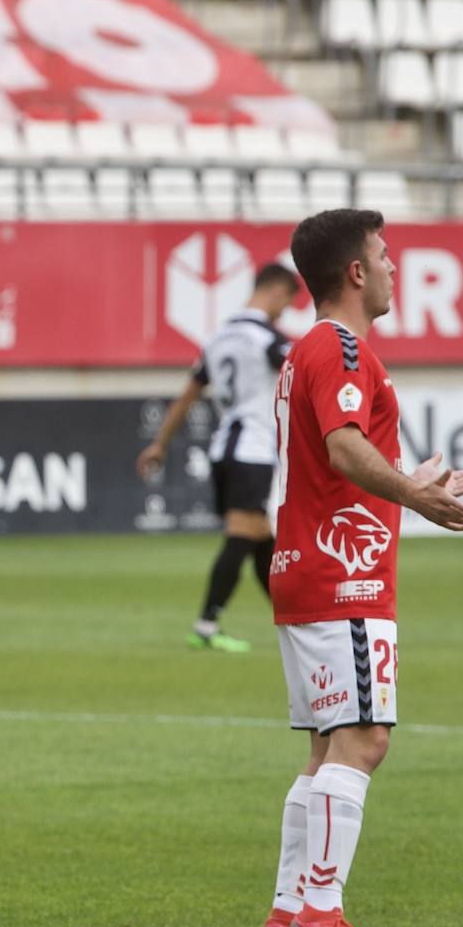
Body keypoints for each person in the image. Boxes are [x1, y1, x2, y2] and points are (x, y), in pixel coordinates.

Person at [258, 209, 463, 927]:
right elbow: (346, 449)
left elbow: (339, 469)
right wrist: (419, 499)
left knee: (327, 747)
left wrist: (417, 482)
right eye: (384, 256)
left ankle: (288, 910)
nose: (392, 267)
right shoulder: (345, 346)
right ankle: (323, 913)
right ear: (355, 271)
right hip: (342, 579)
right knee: (365, 740)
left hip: (306, 568)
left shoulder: (308, 351)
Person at [137, 263, 301, 652]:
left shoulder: (218, 337)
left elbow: (188, 395)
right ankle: (207, 624)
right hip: (253, 449)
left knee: (262, 540)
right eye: (288, 302)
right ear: (276, 291)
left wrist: (160, 443)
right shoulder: (267, 338)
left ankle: (295, 622)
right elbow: (306, 373)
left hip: (223, 448)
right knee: (243, 535)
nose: (284, 311)